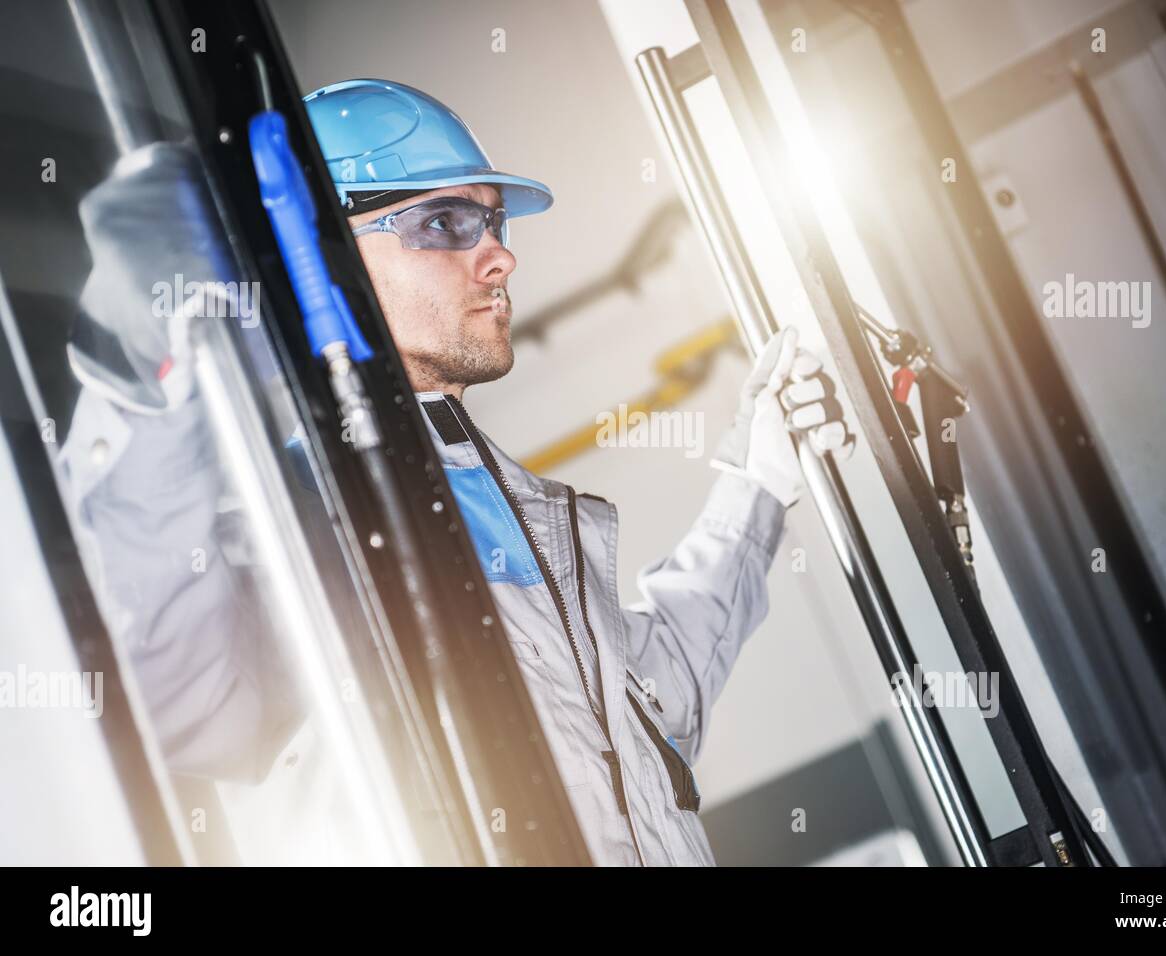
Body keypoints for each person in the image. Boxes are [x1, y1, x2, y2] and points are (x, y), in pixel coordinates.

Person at [59, 78, 854, 865]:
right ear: (326, 256)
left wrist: (760, 485)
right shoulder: (282, 526)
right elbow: (168, 690)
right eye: (445, 223)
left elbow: (658, 694)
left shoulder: (524, 515)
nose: (500, 255)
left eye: (493, 222)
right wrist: (135, 369)